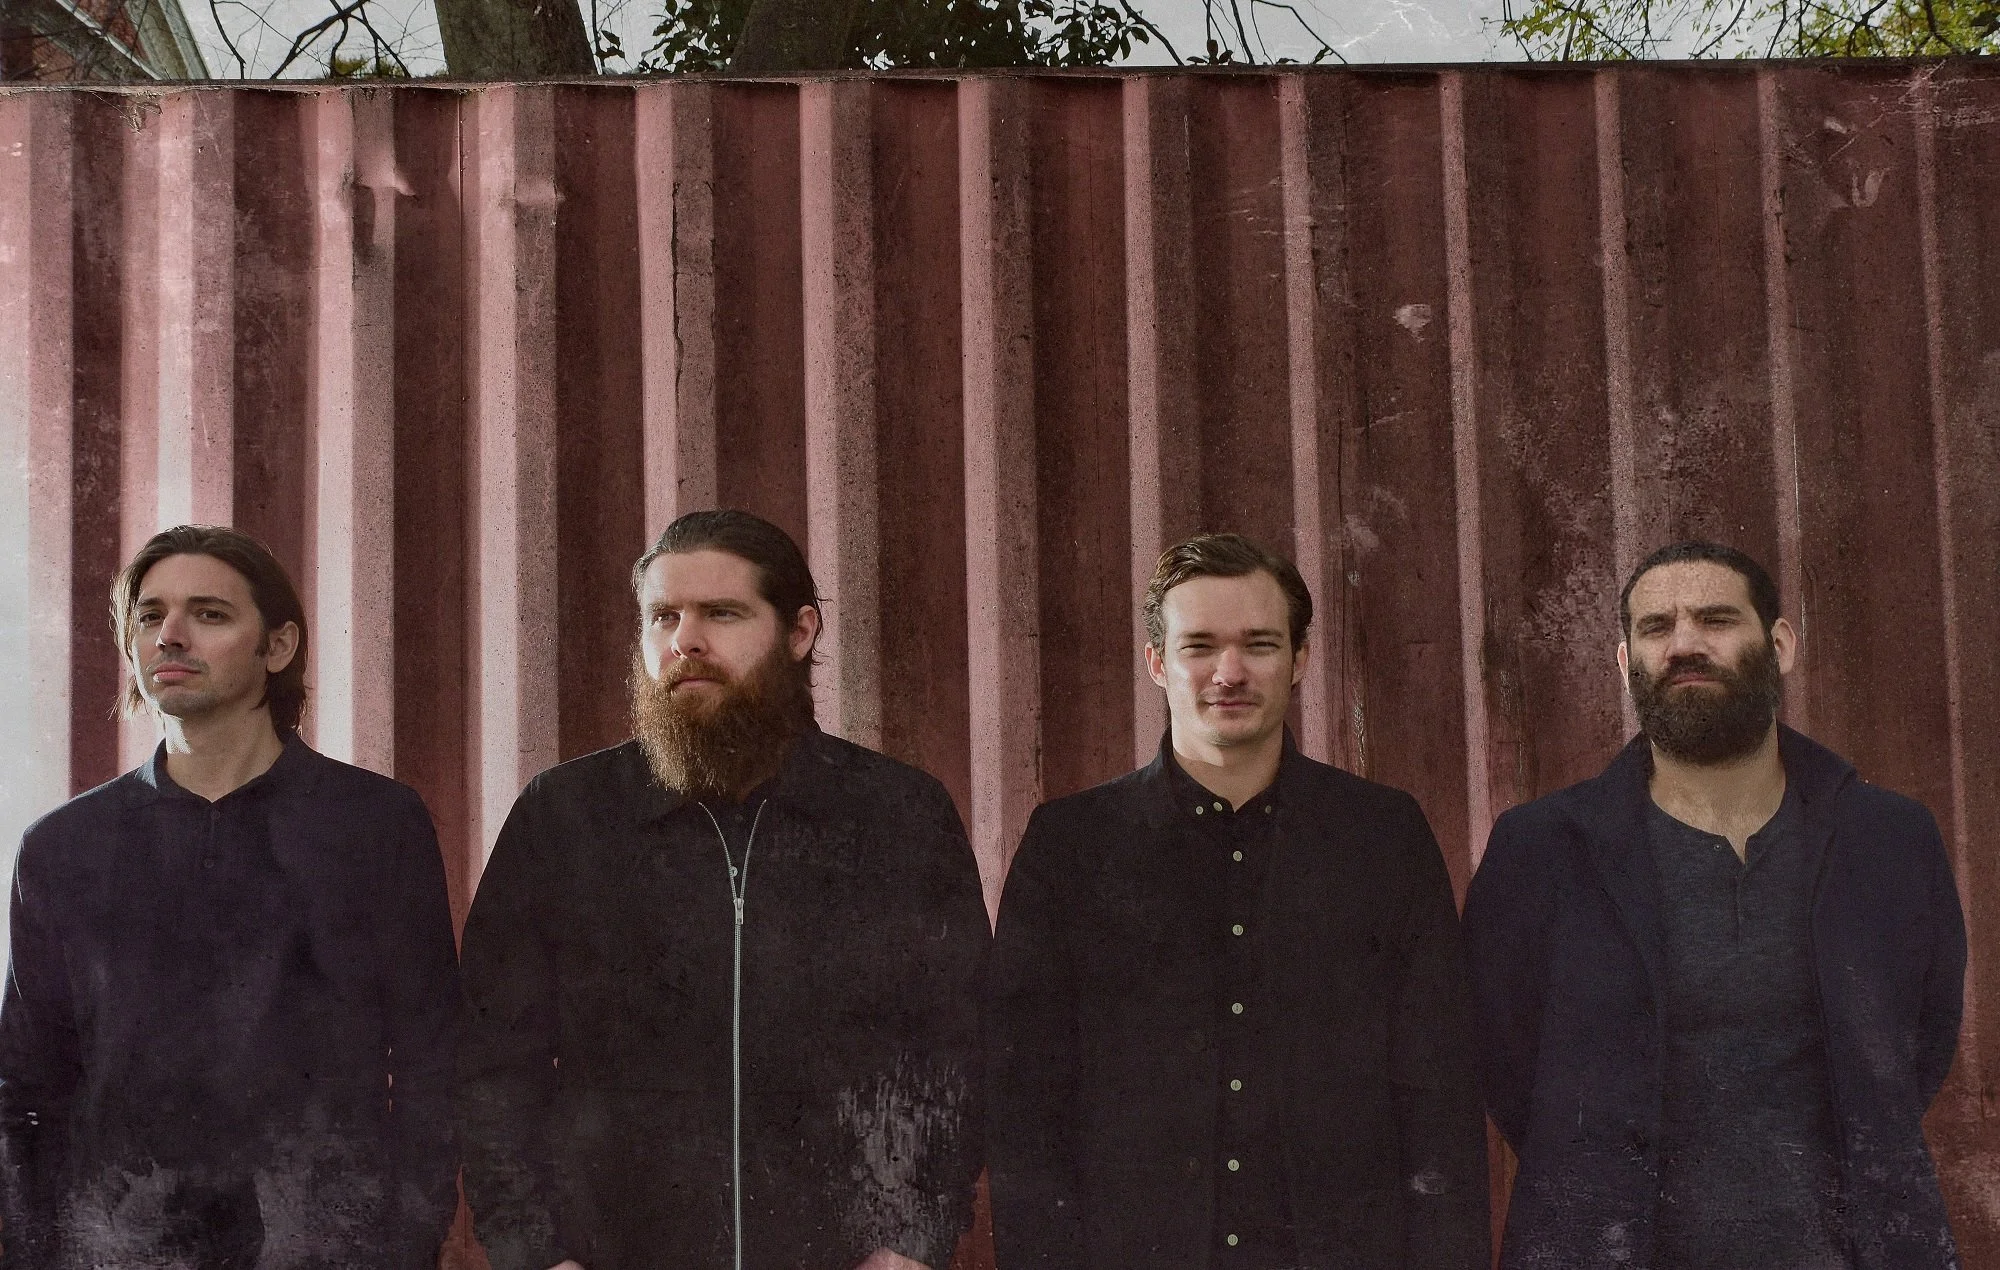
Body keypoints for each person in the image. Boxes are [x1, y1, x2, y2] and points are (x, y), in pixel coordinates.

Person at [456, 509, 988, 1270]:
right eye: (663, 616)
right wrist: (536, 1254)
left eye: (722, 613)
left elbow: (951, 1048)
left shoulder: (897, 813)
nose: (685, 641)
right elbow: (492, 1062)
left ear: (799, 632)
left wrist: (910, 1238)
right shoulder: (565, 815)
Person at [985, 532, 1490, 1270]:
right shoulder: (1071, 846)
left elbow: (1438, 1089)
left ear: (1300, 660)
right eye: (1199, 646)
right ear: (1157, 662)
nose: (1229, 672)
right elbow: (1025, 1103)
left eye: (1259, 644)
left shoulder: (1382, 836)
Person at [1463, 540, 1966, 1270]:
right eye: (1656, 627)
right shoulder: (1542, 847)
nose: (1684, 645)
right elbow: (1504, 1062)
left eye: (1716, 619)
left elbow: (1921, 1037)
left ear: (1780, 645)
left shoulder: (1887, 836)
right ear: (1625, 662)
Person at [0, 524, 463, 1269]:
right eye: (150, 616)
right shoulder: (62, 847)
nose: (170, 636)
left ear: (277, 647)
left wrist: (406, 1245)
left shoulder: (375, 825)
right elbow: (26, 1087)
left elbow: (430, 1062)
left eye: (209, 614)